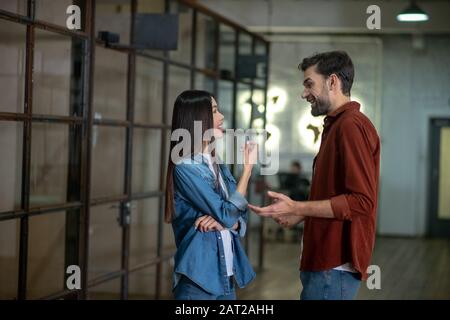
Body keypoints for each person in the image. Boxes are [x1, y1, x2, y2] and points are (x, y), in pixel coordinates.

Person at [249, 51, 380, 300]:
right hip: (325, 264)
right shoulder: (336, 125)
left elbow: (361, 202)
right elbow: (336, 194)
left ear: (332, 82)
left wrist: (298, 206)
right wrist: (300, 213)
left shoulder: (350, 126)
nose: (304, 93)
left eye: (309, 84)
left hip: (333, 267)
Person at [165, 90, 257, 300]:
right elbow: (229, 213)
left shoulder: (217, 164)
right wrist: (248, 170)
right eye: (214, 111)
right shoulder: (185, 167)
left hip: (226, 273)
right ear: (197, 119)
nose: (221, 116)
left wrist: (225, 222)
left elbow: (241, 216)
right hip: (198, 280)